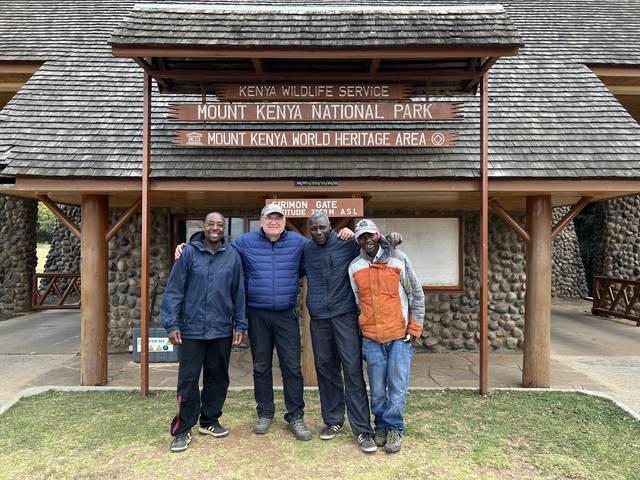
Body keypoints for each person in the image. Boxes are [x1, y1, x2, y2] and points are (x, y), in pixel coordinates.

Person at [176, 204, 352, 441]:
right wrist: (190, 245)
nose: (274, 222)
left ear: (284, 221)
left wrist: (346, 234)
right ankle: (265, 413)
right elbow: (216, 245)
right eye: (269, 218)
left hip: (286, 314)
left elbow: (323, 245)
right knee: (261, 367)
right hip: (257, 314)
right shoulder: (245, 242)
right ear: (261, 220)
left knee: (292, 367)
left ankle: (296, 416)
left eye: (278, 218)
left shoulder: (299, 243)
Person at [303, 211, 402, 453]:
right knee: (326, 370)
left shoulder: (347, 244)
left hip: (345, 316)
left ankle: (362, 430)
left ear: (331, 227)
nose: (318, 232)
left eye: (322, 227)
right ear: (309, 230)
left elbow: (372, 246)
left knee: (352, 370)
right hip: (319, 320)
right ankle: (333, 421)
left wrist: (389, 238)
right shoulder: (305, 251)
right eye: (314, 228)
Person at [160, 212, 247, 453]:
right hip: (192, 328)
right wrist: (172, 323)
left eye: (220, 225)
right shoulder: (188, 253)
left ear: (224, 228)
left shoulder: (233, 256)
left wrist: (240, 324)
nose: (216, 228)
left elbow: (238, 293)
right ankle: (183, 429)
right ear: (204, 226)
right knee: (188, 381)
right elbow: (174, 290)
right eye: (211, 224)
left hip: (221, 329)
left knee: (218, 379)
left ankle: (209, 421)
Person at [348, 219, 425, 454]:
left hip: (399, 337)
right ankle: (380, 425)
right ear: (358, 240)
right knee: (378, 388)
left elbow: (417, 295)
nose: (367, 240)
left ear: (377, 234)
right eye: (362, 237)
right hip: (371, 338)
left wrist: (414, 329)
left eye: (370, 235)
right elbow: (357, 302)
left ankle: (394, 428)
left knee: (397, 386)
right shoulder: (354, 267)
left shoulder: (398, 258)